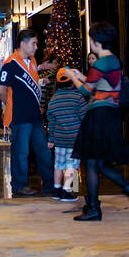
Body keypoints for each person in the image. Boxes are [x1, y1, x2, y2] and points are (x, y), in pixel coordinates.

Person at [63, 22, 129, 221]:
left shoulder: (100, 63)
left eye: (90, 38)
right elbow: (102, 83)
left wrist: (71, 77)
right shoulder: (112, 61)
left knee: (91, 162)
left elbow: (85, 91)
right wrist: (81, 75)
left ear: (96, 41)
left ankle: (94, 208)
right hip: (110, 114)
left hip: (98, 115)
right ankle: (124, 195)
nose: (90, 42)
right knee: (98, 162)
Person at [0, 29, 54, 197]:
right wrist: (8, 104)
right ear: (23, 44)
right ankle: (19, 185)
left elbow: (33, 77)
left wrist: (44, 67)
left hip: (35, 115)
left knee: (43, 151)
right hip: (20, 116)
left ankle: (50, 184)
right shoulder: (10, 63)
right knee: (21, 152)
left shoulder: (33, 61)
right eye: (33, 43)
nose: (36, 47)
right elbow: (0, 89)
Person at [46, 67, 86, 202]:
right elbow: (84, 117)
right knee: (72, 166)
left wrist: (51, 139)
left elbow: (51, 122)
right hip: (74, 140)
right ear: (73, 82)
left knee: (58, 165)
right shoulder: (77, 97)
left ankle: (57, 190)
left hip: (59, 140)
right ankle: (68, 191)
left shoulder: (53, 99)